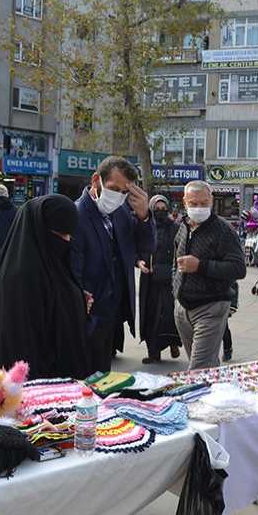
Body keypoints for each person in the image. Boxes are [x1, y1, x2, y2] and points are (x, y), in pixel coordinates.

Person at [0, 195, 91, 379]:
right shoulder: (21, 277)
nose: (66, 240)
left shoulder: (50, 262)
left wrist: (77, 301)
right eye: (60, 234)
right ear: (39, 231)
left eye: (69, 234)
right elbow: (22, 347)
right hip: (35, 387)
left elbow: (57, 301)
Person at [70, 156, 154, 372]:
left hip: (113, 311)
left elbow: (145, 246)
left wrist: (144, 216)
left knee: (103, 373)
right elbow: (72, 268)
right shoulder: (76, 214)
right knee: (85, 375)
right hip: (87, 312)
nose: (118, 196)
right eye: (113, 188)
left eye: (124, 192)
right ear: (96, 180)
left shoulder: (122, 212)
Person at [172, 180, 246, 370]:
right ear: (185, 201)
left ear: (211, 201)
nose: (199, 208)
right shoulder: (183, 226)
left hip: (211, 307)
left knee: (198, 369)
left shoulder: (223, 230)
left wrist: (200, 266)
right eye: (194, 204)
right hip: (183, 308)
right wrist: (175, 288)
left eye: (204, 203)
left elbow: (238, 268)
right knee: (206, 368)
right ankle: (217, 392)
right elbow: (176, 260)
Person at [138, 195, 182, 365]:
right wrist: (139, 261)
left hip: (170, 279)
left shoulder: (176, 228)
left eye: (164, 208)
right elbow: (138, 248)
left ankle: (172, 343)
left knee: (169, 315)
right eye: (157, 208)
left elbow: (182, 251)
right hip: (149, 280)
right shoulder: (146, 228)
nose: (160, 212)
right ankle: (153, 352)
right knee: (150, 315)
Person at [222, 280, 238, 363]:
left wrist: (232, 306)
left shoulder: (228, 275)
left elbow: (234, 286)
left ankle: (227, 349)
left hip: (222, 306)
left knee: (224, 329)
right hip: (208, 305)